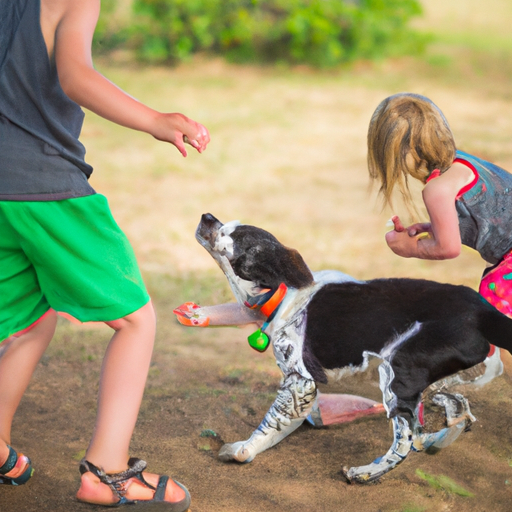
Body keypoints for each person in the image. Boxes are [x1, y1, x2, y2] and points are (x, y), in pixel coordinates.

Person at [0, 0, 209, 509]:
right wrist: (154, 119)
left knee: (31, 318)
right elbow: (75, 77)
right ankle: (106, 472)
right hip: (44, 188)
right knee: (136, 320)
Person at [367, 91, 512, 379]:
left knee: (495, 323)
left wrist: (411, 249)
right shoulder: (462, 163)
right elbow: (485, 215)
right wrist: (430, 228)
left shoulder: (436, 190)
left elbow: (448, 248)